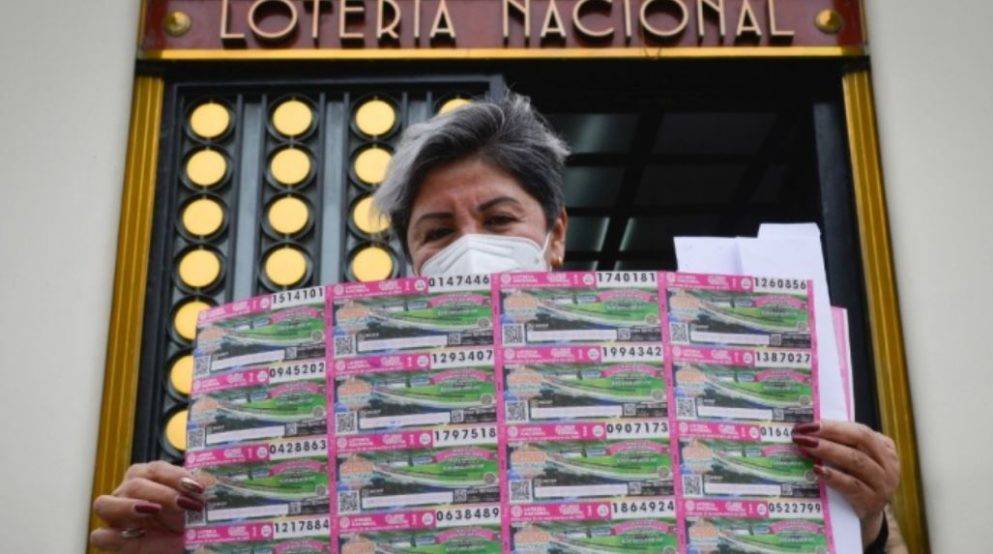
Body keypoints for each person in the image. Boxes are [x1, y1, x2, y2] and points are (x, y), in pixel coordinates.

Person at [91, 91, 904, 552]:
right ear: (410, 260)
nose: (468, 244)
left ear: (555, 234)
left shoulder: (688, 356)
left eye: (499, 217)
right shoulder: (308, 407)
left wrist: (858, 526)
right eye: (437, 231)